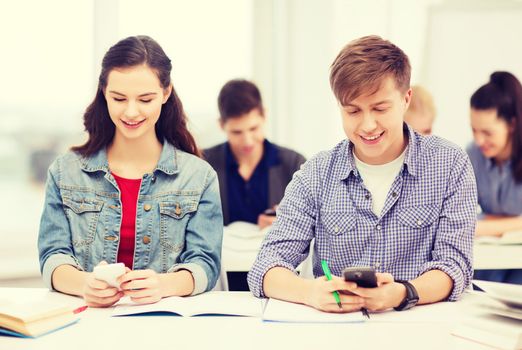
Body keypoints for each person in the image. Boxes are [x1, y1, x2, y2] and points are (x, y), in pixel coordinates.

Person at [248, 35, 476, 313]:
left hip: (422, 326)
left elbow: (455, 265)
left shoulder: (449, 163)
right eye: (353, 111)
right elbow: (266, 266)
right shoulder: (316, 174)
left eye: (380, 108)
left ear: (406, 99)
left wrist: (403, 293)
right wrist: (309, 292)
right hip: (339, 329)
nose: (368, 125)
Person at [38, 35, 223, 307]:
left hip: (164, 325)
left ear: (166, 92)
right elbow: (53, 255)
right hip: (87, 324)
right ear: (104, 93)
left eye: (145, 99)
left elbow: (205, 263)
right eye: (119, 98)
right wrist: (84, 284)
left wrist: (162, 285)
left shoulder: (200, 177)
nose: (131, 112)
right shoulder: (65, 172)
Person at [204, 79, 306, 228]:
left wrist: (289, 221)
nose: (248, 141)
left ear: (264, 115)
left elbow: (317, 223)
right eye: (237, 132)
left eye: (253, 129)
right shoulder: (204, 165)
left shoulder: (294, 164)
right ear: (221, 125)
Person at [468, 71, 522, 284]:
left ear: (512, 124)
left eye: (487, 132)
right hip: (489, 256)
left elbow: (472, 226)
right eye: (474, 130)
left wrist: (486, 225)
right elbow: (460, 215)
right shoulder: (472, 155)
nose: (479, 140)